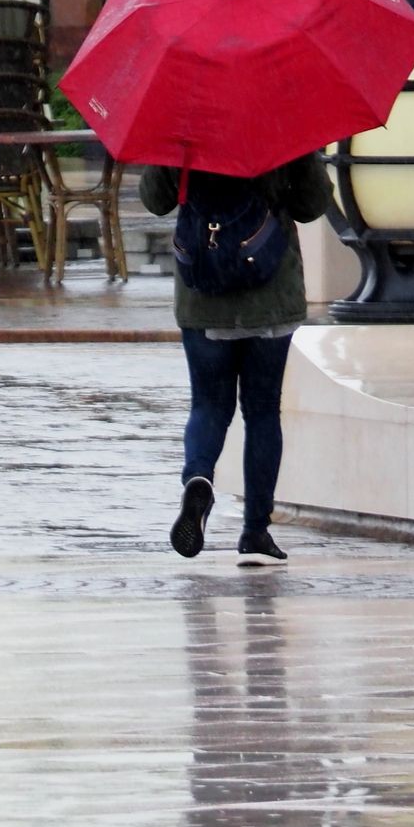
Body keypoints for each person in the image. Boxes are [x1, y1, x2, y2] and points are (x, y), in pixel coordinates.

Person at [140, 156, 331, 567]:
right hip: (271, 292)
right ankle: (256, 532)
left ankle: (199, 477)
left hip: (203, 293)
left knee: (209, 406)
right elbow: (312, 204)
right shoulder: (284, 122)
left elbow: (154, 200)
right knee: (263, 412)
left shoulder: (181, 126)